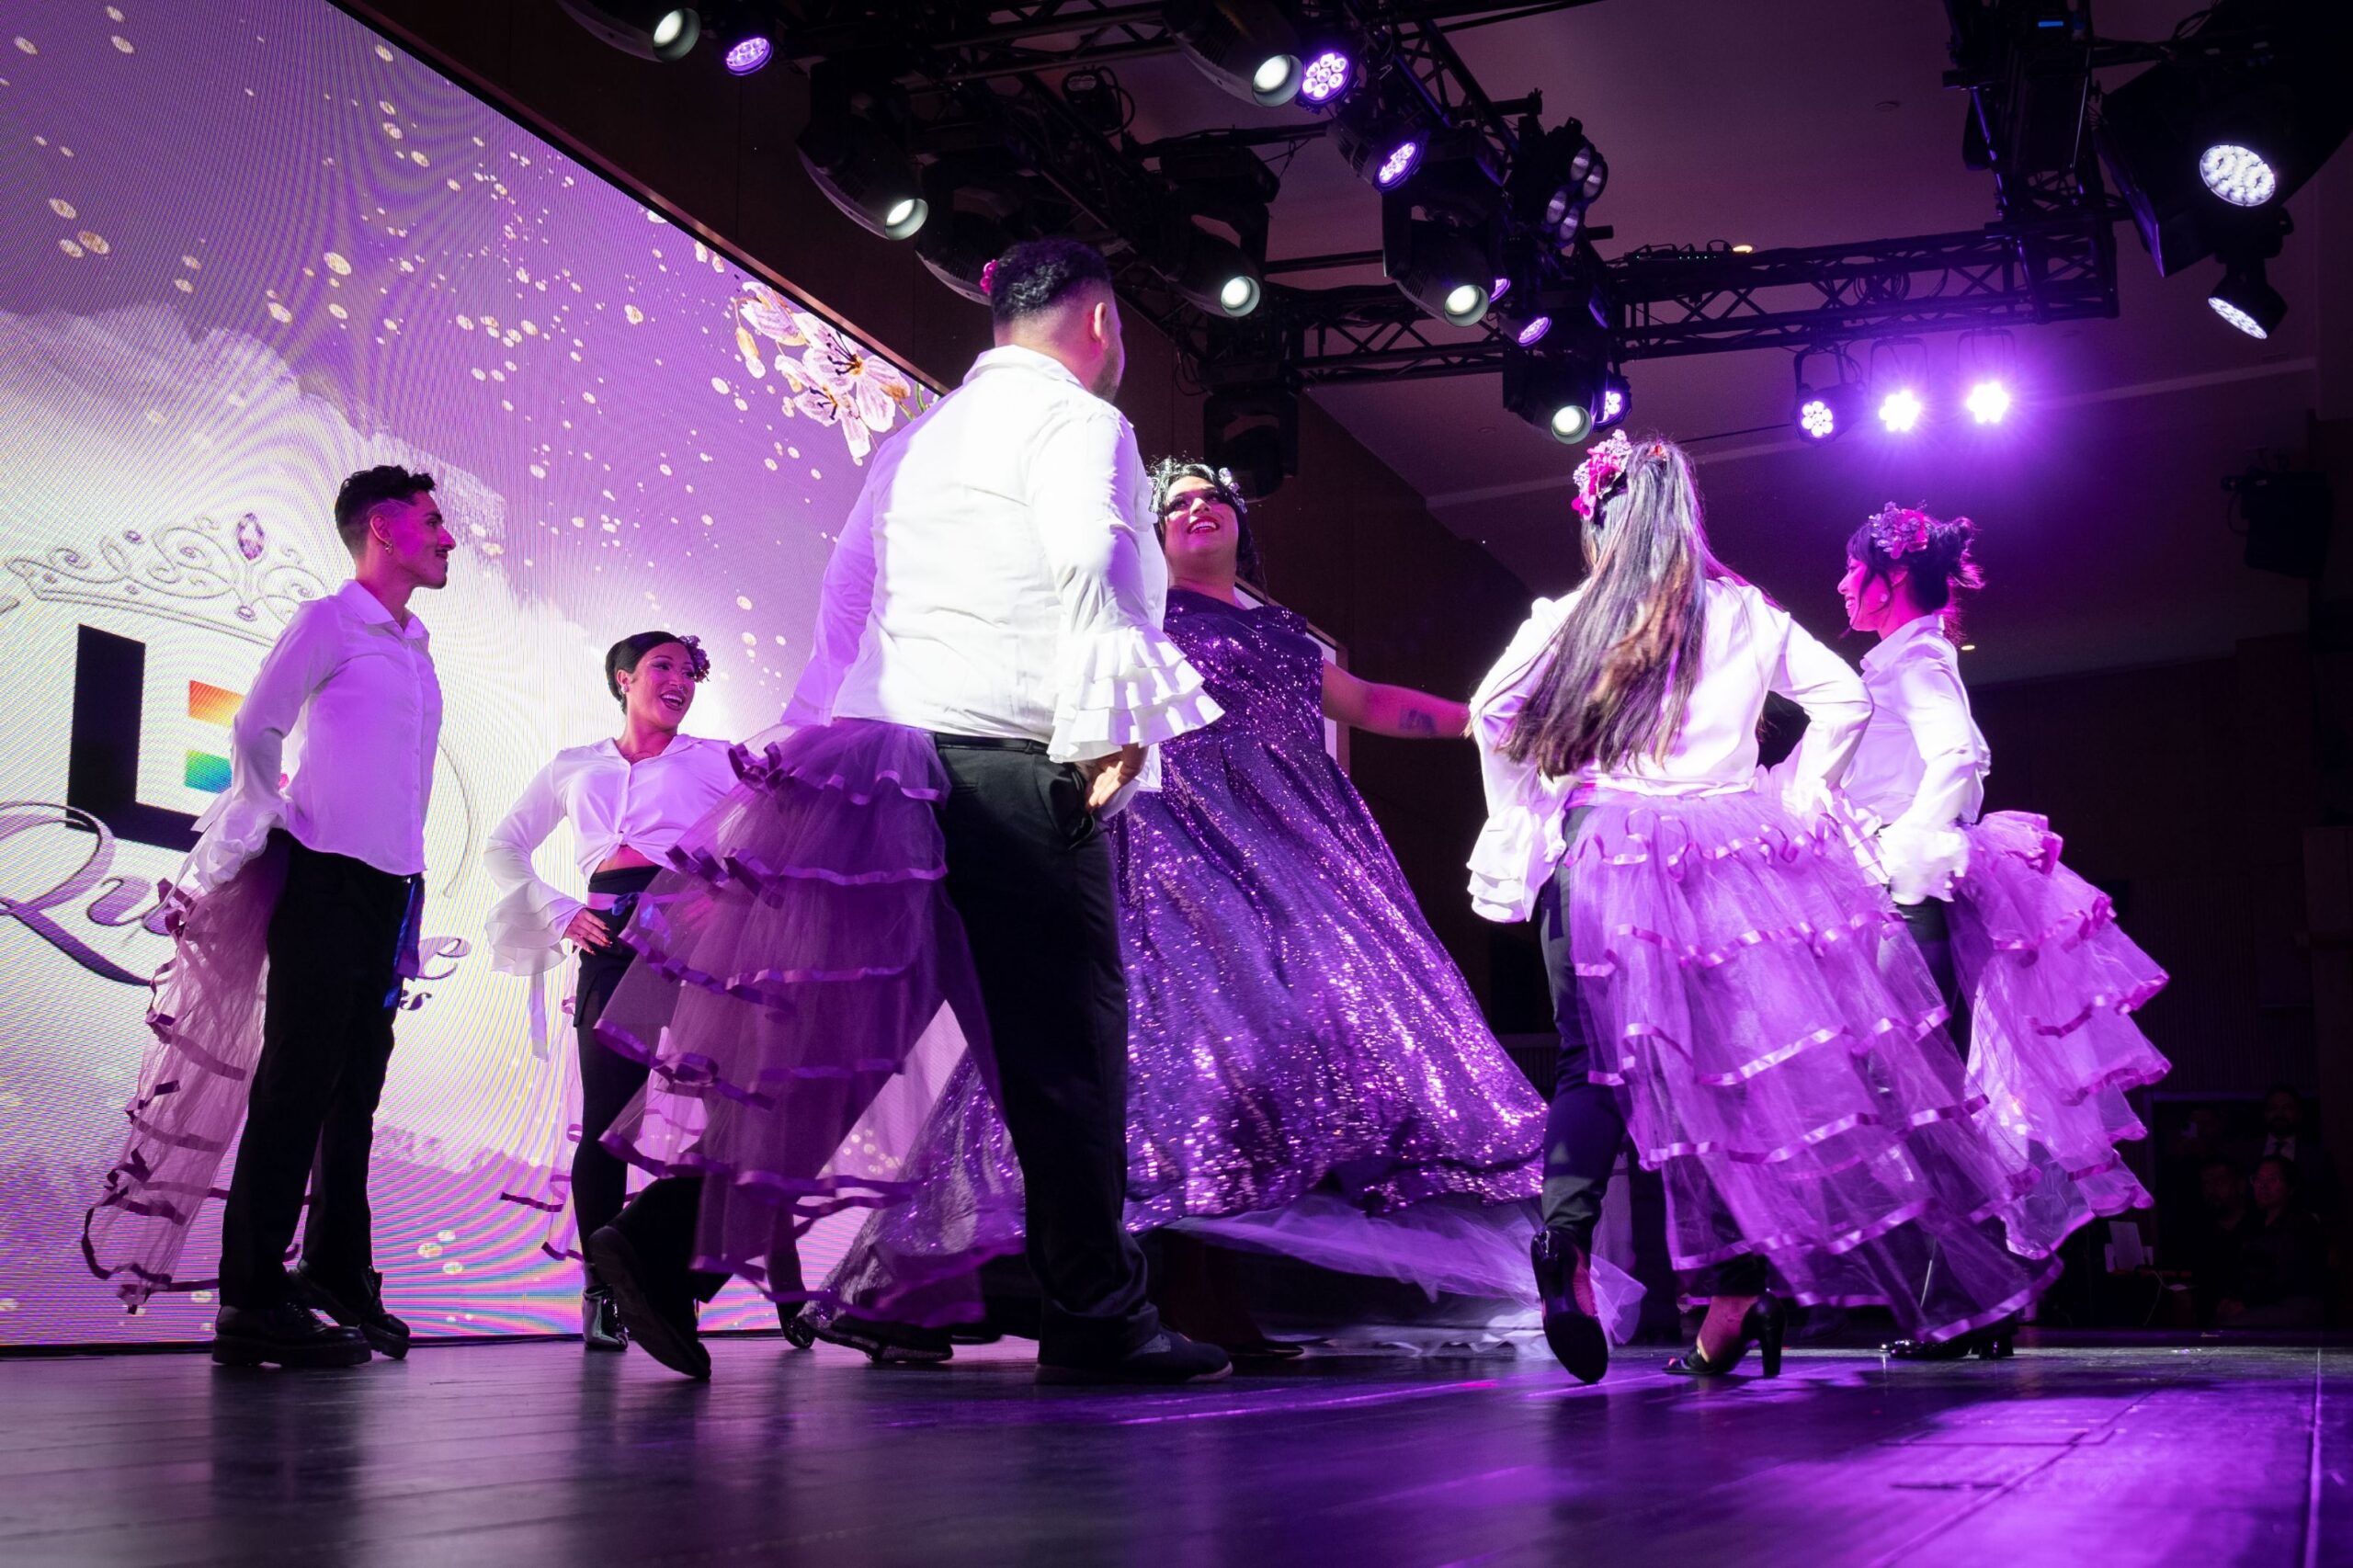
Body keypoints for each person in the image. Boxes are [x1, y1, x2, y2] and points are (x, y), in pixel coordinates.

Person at [585, 239, 1233, 1385]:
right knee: (1067, 1051)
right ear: (1095, 325)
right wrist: (1108, 735)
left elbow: (846, 597)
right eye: (1120, 331)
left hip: (887, 766)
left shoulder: (918, 437)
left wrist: (802, 738)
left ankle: (663, 1235)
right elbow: (1095, 556)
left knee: (845, 1042)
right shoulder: (1085, 423)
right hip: (1012, 765)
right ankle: (1097, 1314)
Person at [804, 459, 1618, 1364]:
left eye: (1211, 500)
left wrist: (1483, 720)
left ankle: (1252, 1289)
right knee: (1174, 1051)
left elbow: (1372, 701)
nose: (1194, 511)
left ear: (1240, 525)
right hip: (1173, 838)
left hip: (1297, 849)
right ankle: (1141, 1287)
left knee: (1318, 1037)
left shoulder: (1283, 634)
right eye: (1176, 505)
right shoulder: (1137, 613)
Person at [1468, 432, 2052, 1381]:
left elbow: (1490, 709)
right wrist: (1797, 798)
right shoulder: (1741, 609)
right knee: (1735, 1084)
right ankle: (1735, 1293)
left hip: (1598, 851)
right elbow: (1841, 703)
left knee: (1589, 1069)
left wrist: (1522, 816)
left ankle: (1566, 1240)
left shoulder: (1569, 613)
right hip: (1717, 863)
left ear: (1598, 523)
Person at [85, 465, 454, 1368]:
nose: (448, 538)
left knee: (354, 1090)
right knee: (297, 1080)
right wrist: (276, 819)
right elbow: (255, 724)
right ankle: (251, 1293)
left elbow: (404, 788)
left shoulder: (415, 645)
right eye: (433, 521)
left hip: (386, 888)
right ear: (382, 527)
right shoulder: (332, 619)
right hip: (325, 879)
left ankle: (331, 1273)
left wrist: (408, 903)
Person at [1834, 504, 2170, 1313]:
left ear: (1887, 581)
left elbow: (1961, 756)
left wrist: (1911, 850)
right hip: (1892, 885)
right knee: (1913, 1096)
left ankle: (1966, 1295)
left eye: (1853, 569)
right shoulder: (1895, 660)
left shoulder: (1917, 661)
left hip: (1909, 892)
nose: (1842, 584)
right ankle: (1959, 1297)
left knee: (1917, 1093)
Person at [483, 631, 799, 1352]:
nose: (680, 681)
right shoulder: (574, 765)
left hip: (696, 938)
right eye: (663, 667)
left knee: (728, 1109)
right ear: (623, 678)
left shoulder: (719, 759)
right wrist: (563, 911)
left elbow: (775, 840)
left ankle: (767, 1288)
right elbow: (503, 847)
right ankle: (603, 1292)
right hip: (609, 935)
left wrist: (718, 896)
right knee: (605, 1119)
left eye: (691, 672)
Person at [2217, 1155, 2329, 1328]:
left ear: (2290, 1187)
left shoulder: (2301, 1223)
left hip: (2292, 1303)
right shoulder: (2253, 1222)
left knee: (2232, 1327)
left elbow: (2287, 1278)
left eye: (2273, 1180)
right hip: (2259, 1301)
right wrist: (2231, 1297)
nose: (2263, 1186)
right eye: (2258, 1179)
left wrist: (2247, 1303)